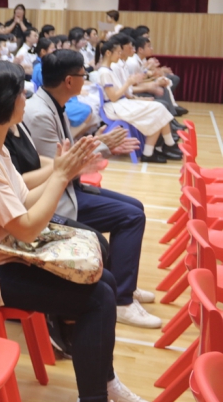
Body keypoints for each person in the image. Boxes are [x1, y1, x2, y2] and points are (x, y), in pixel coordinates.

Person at [0, 60, 157, 402]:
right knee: (96, 298)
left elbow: (22, 197)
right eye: (20, 93)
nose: (25, 99)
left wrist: (64, 170)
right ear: (4, 102)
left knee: (105, 282)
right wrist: (60, 175)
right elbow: (26, 226)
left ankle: (104, 383)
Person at [23, 50, 161, 328]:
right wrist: (101, 148)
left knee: (135, 207)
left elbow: (68, 154)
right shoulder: (39, 113)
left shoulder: (53, 103)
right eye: (82, 75)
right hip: (56, 198)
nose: (85, 79)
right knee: (131, 217)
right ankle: (121, 301)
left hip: (68, 187)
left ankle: (123, 284)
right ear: (69, 80)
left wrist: (100, 143)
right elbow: (63, 168)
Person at [93, 38, 178, 164]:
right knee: (158, 108)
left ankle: (153, 150)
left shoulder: (108, 70)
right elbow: (114, 97)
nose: (120, 55)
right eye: (118, 52)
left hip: (120, 104)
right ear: (108, 53)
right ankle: (164, 146)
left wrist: (134, 91)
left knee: (159, 108)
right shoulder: (104, 72)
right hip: (114, 107)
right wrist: (128, 83)